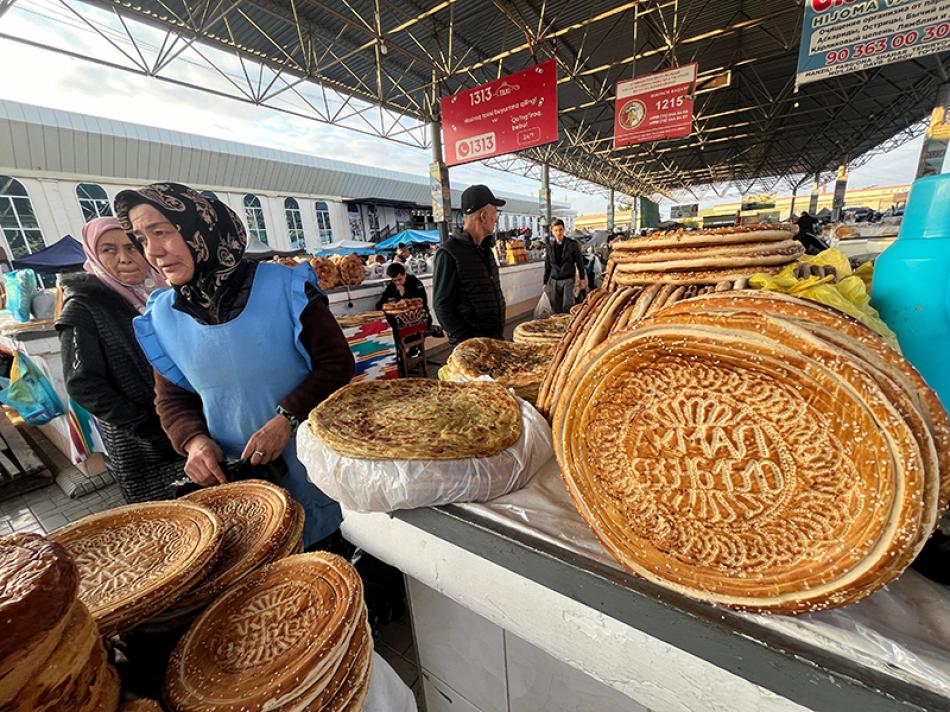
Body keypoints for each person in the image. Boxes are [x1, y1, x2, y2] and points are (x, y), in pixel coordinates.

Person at [116, 183, 355, 551]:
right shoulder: (162, 317)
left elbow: (336, 364)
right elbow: (173, 400)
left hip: (317, 467)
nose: (153, 251)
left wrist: (287, 418)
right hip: (239, 485)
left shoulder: (285, 287)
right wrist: (195, 443)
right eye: (141, 238)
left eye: (162, 232)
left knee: (334, 570)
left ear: (202, 230)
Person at [56, 216, 183, 503]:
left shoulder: (164, 294)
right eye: (109, 250)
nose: (125, 258)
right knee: (169, 519)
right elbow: (83, 385)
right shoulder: (82, 308)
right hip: (144, 445)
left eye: (132, 247)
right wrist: (151, 427)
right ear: (93, 255)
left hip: (187, 424)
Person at [433, 184, 506, 346]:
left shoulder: (486, 249)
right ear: (483, 216)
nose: (496, 219)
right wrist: (467, 342)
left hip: (494, 340)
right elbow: (442, 306)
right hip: (472, 348)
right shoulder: (449, 253)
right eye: (495, 213)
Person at [543, 218, 587, 314]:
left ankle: (569, 327)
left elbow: (579, 262)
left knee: (567, 306)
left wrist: (582, 278)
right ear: (552, 232)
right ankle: (558, 326)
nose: (558, 232)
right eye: (556, 230)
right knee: (555, 306)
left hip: (568, 280)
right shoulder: (549, 246)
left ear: (564, 230)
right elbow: (547, 265)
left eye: (560, 229)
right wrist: (545, 282)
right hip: (554, 280)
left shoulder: (572, 244)